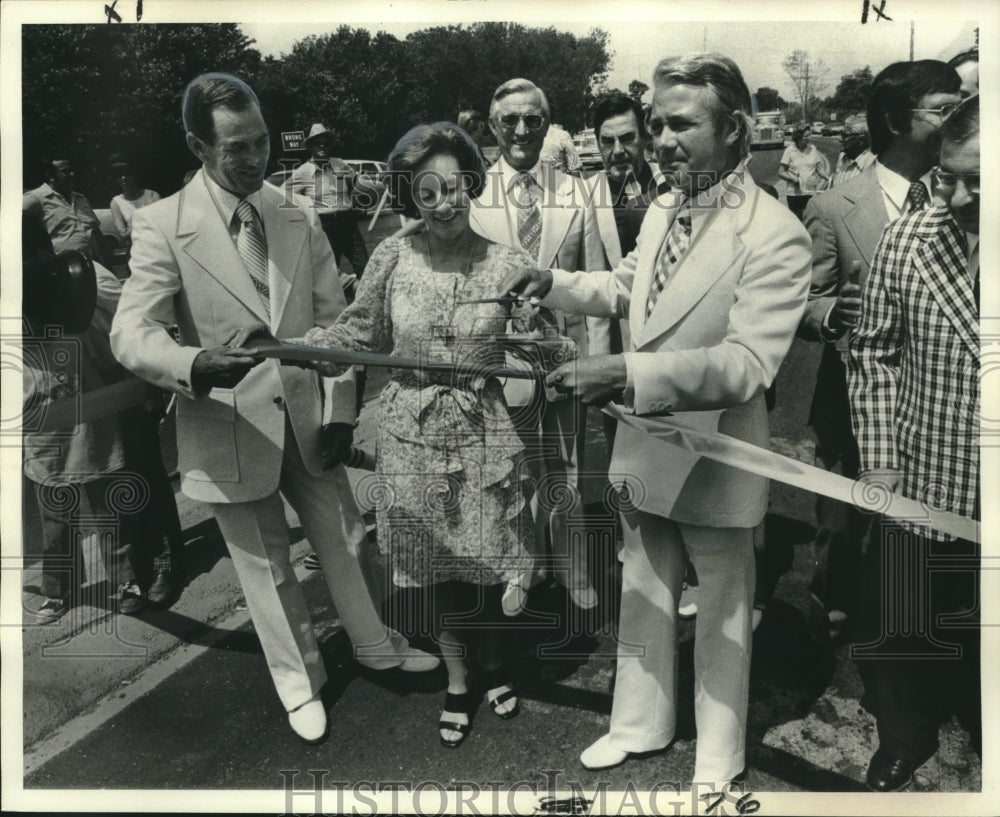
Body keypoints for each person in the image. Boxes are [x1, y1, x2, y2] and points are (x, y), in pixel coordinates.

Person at [502, 53, 811, 792]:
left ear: (735, 130)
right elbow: (626, 284)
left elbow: (745, 365)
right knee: (641, 589)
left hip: (715, 452)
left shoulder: (775, 232)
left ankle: (719, 752)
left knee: (724, 610)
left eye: (681, 124)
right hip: (646, 447)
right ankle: (640, 722)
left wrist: (627, 373)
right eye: (655, 124)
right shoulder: (671, 203)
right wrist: (557, 283)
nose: (660, 140)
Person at [109, 73, 437, 745]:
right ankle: (300, 682)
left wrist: (342, 413)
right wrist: (193, 364)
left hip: (310, 414)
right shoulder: (163, 225)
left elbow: (334, 323)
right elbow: (129, 334)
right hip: (227, 424)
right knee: (266, 566)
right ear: (199, 145)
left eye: (260, 142)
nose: (254, 158)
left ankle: (376, 643)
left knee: (348, 536)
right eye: (236, 148)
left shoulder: (294, 212)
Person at [286, 122, 537, 748]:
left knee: (489, 563)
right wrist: (296, 349)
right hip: (409, 437)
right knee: (438, 569)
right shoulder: (391, 256)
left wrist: (539, 354)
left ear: (472, 185)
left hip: (484, 434)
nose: (445, 202)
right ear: (411, 195)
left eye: (455, 187)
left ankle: (497, 666)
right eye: (428, 192)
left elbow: (538, 349)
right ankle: (457, 679)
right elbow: (359, 336)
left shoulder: (509, 265)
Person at [798, 60, 961, 645]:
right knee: (841, 522)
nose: (960, 118)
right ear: (895, 119)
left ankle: (910, 620)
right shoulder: (837, 204)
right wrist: (827, 314)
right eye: (945, 109)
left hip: (939, 402)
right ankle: (832, 609)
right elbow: (803, 300)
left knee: (924, 523)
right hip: (849, 395)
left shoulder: (963, 194)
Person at [847, 93, 980, 793]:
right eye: (947, 174)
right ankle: (904, 734)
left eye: (976, 181)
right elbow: (872, 352)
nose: (954, 195)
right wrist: (880, 459)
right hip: (925, 473)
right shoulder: (910, 238)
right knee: (903, 620)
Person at [474, 77, 608, 611]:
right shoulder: (473, 195)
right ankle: (524, 568)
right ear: (493, 127)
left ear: (548, 125)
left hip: (566, 356)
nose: (522, 130)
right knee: (517, 472)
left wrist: (596, 363)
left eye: (533, 119)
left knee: (566, 470)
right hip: (504, 363)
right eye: (510, 120)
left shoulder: (580, 193)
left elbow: (597, 283)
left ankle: (574, 570)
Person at [23, 220, 148, 623]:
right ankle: (58, 588)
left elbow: (109, 354)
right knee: (55, 517)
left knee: (106, 506)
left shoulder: (80, 308)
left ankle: (125, 579)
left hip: (91, 420)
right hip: (44, 430)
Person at [283, 123, 371, 280]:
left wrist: (354, 203)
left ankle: (369, 302)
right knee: (331, 275)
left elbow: (354, 182)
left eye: (325, 143)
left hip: (348, 223)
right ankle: (342, 304)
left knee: (365, 267)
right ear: (310, 146)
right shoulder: (303, 172)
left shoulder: (339, 164)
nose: (322, 146)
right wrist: (304, 215)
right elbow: (283, 195)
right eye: (317, 143)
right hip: (324, 226)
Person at [23, 157, 107, 264]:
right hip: (65, 266)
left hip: (95, 262)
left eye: (72, 171)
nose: (72, 174)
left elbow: (96, 230)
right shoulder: (36, 198)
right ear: (50, 175)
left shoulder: (81, 198)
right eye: (65, 172)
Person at [108, 153, 161, 245]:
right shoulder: (116, 203)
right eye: (118, 176)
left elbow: (163, 222)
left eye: (127, 174)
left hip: (158, 241)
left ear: (134, 175)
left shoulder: (152, 195)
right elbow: (123, 234)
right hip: (137, 246)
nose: (123, 178)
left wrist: (134, 227)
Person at [778, 125, 830, 219]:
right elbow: (781, 172)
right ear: (798, 137)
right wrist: (793, 179)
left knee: (810, 220)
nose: (809, 138)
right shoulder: (790, 151)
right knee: (797, 221)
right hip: (794, 194)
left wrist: (828, 178)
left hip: (809, 192)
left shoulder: (812, 149)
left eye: (810, 135)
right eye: (806, 136)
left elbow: (819, 169)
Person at [829, 114, 875, 188]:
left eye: (845, 136)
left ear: (861, 140)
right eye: (840, 134)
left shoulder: (871, 164)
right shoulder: (842, 157)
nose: (840, 139)